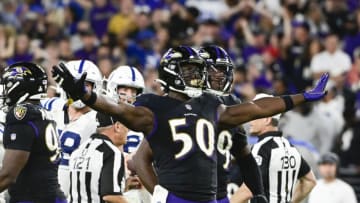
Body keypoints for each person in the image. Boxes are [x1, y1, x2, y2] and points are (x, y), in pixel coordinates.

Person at [52, 45, 329, 203]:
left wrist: (302, 96)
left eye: (197, 70)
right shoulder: (154, 108)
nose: (197, 75)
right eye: (189, 70)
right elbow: (115, 107)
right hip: (177, 198)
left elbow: (256, 108)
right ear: (172, 73)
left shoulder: (212, 105)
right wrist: (86, 94)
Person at [199, 45, 266, 203]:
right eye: (214, 70)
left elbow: (244, 156)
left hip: (220, 194)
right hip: (187, 194)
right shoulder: (184, 103)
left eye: (223, 70)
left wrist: (259, 193)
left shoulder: (231, 103)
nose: (220, 75)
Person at [0, 62, 66, 202]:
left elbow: (8, 175)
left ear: (19, 86)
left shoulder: (21, 113)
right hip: (52, 196)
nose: (5, 91)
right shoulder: (44, 114)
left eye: (8, 86)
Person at [43, 59, 102, 197]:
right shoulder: (51, 106)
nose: (79, 90)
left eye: (86, 85)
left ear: (95, 88)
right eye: (73, 84)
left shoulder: (100, 119)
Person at [249, 93, 317, 203]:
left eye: (255, 116)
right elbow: (310, 181)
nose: (250, 120)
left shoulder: (260, 148)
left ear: (267, 119)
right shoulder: (291, 148)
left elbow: (247, 189)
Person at [106, 65, 151, 203]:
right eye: (124, 89)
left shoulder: (146, 121)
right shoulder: (102, 121)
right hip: (112, 189)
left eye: (133, 91)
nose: (129, 95)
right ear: (113, 88)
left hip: (144, 191)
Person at [68, 112, 128, 203]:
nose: (128, 130)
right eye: (126, 125)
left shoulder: (79, 150)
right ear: (118, 126)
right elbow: (110, 196)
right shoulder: (112, 152)